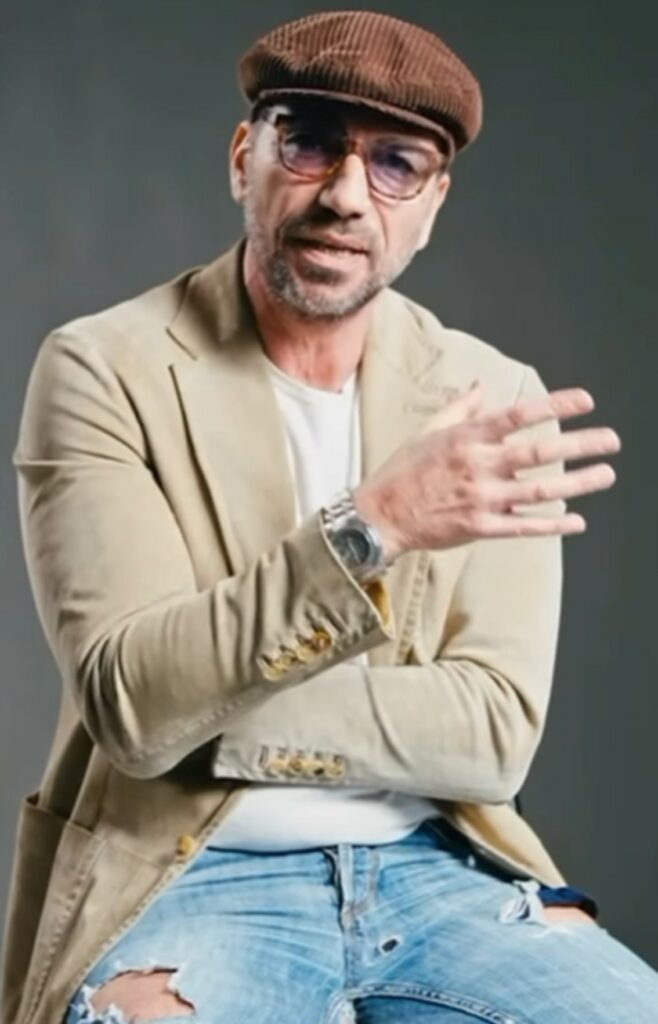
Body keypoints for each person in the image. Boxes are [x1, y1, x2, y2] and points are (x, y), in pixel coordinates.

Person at [3, 9, 657, 1024]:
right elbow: (131, 703)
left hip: (436, 870)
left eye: (397, 164)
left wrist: (211, 707)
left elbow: (490, 737)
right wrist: (372, 522)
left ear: (432, 204)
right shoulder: (103, 370)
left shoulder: (493, 394)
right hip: (190, 872)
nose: (347, 195)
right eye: (309, 141)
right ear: (244, 158)